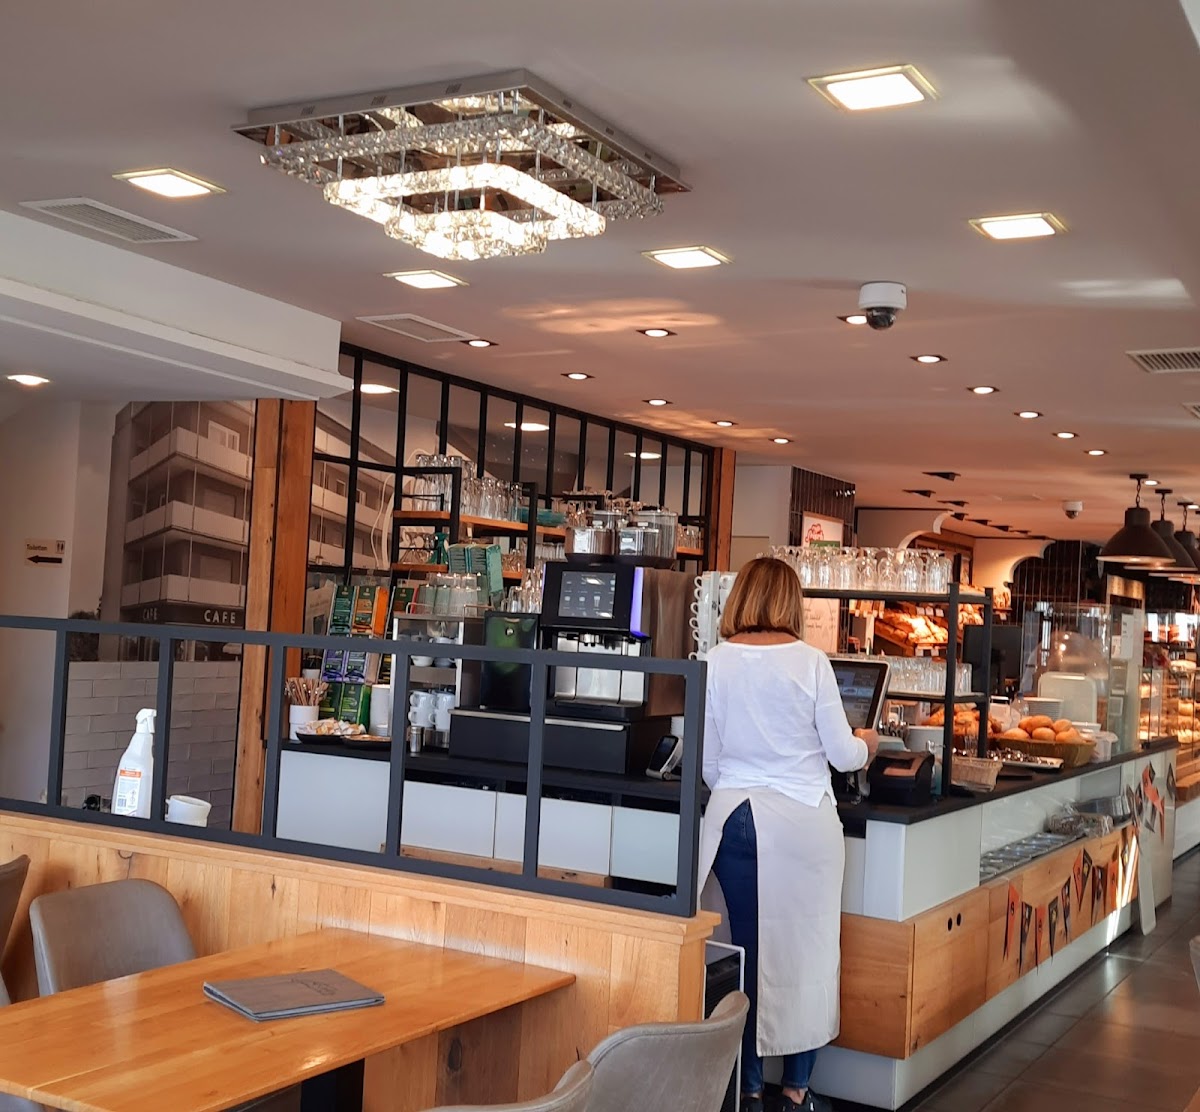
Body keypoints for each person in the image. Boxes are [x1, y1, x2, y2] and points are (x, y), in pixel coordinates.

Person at [697, 557, 879, 1112]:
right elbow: (843, 755)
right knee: (807, 955)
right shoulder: (812, 662)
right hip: (804, 826)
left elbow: (708, 765)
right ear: (791, 603)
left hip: (735, 819)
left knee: (742, 957)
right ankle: (796, 1091)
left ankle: (748, 1089)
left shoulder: (714, 662)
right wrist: (869, 743)